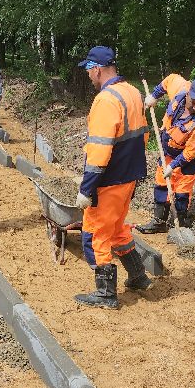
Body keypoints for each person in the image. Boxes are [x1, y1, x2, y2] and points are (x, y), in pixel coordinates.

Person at [74, 45, 152, 309]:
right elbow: (143, 136)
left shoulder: (106, 100)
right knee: (117, 228)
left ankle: (106, 293)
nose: (88, 76)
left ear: (97, 69)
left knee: (95, 233)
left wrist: (87, 188)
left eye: (88, 70)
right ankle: (138, 276)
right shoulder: (132, 92)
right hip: (129, 177)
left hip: (109, 180)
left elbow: (99, 150)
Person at [136, 74, 195, 234]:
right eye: (193, 101)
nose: (194, 107)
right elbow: (169, 79)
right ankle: (159, 222)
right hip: (167, 150)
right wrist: (154, 96)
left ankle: (180, 225)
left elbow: (191, 152)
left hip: (187, 158)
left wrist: (174, 166)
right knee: (161, 183)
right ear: (188, 93)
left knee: (182, 191)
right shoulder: (181, 88)